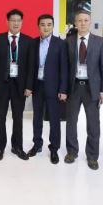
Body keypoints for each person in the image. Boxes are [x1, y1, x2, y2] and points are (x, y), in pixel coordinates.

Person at [63, 10, 103, 170]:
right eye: (79, 20)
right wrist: (63, 89)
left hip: (92, 88)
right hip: (73, 87)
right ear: (75, 23)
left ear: (90, 22)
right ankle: (71, 152)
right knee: (71, 122)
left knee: (93, 124)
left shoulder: (100, 41)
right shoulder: (68, 41)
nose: (82, 23)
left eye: (86, 20)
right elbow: (65, 68)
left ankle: (92, 156)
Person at [0, 9, 34, 161]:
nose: (15, 23)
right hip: (2, 84)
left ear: (22, 22)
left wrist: (29, 86)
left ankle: (17, 147)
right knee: (0, 116)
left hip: (20, 86)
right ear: (7, 22)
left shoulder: (28, 41)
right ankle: (0, 147)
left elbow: (31, 66)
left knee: (18, 117)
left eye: (18, 20)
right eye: (13, 20)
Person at [27, 14, 68, 164]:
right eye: (43, 24)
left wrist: (63, 89)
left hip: (54, 88)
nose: (46, 27)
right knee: (37, 117)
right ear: (38, 26)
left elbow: (64, 68)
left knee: (54, 119)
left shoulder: (60, 44)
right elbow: (30, 67)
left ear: (53, 26)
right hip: (37, 86)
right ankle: (37, 144)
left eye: (49, 24)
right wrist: (28, 86)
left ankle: (54, 148)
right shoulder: (33, 43)